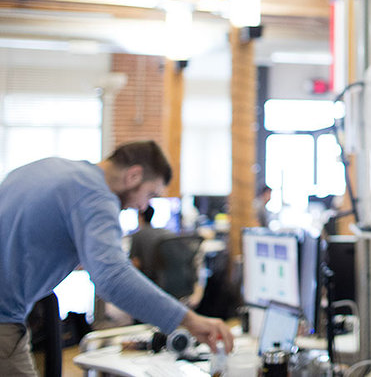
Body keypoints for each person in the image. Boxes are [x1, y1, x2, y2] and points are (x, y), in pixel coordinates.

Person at [0, 140, 234, 376]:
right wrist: (190, 321)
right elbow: (112, 279)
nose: (143, 207)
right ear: (134, 175)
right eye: (149, 194)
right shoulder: (95, 195)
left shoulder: (51, 168)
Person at [129, 205, 174, 281]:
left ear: (140, 217)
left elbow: (135, 263)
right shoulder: (166, 232)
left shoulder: (137, 235)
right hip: (169, 279)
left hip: (149, 280)